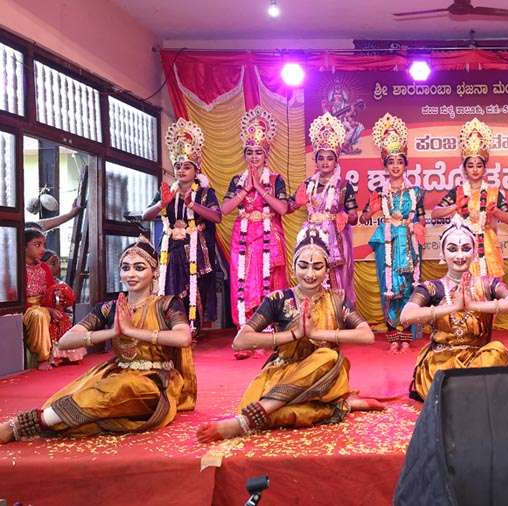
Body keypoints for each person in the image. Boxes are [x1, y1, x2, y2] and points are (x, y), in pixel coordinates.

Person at [196, 226, 383, 442]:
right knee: (256, 407)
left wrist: (316, 333)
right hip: (283, 371)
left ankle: (247, 420)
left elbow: (367, 335)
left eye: (317, 267)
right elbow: (240, 341)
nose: (310, 274)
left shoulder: (337, 300)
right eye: (303, 266)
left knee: (328, 355)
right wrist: (294, 335)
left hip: (323, 377)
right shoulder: (278, 300)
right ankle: (342, 405)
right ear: (293, 267)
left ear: (327, 270)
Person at [1, 240, 195, 443]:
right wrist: (112, 332)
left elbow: (184, 338)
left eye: (139, 268)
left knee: (122, 388)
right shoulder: (109, 308)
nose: (131, 274)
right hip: (118, 373)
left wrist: (131, 331)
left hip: (155, 382)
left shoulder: (167, 304)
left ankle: (19, 426)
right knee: (79, 401)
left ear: (154, 272)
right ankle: (39, 423)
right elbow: (66, 341)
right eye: (125, 268)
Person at [399, 220, 508, 401]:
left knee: (498, 351)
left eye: (466, 248)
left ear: (474, 253)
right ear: (442, 253)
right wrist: (452, 307)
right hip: (441, 361)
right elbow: (406, 316)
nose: (460, 255)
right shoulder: (431, 287)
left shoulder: (488, 283)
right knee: (441, 372)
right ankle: (470, 394)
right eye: (452, 249)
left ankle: (461, 395)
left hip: (478, 361)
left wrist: (473, 305)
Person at [221, 106, 292, 356]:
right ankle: (246, 335)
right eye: (249, 152)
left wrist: (260, 189)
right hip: (243, 236)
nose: (253, 157)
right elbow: (224, 209)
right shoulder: (237, 180)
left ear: (266, 154)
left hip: (268, 236)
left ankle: (269, 336)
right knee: (243, 283)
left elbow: (282, 209)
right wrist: (245, 189)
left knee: (268, 282)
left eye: (258, 152)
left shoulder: (276, 179)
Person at [142, 118, 222, 332]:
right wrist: (161, 203)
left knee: (197, 288)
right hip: (171, 248)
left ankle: (194, 327)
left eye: (187, 167)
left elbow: (216, 217)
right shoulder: (167, 191)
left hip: (197, 250)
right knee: (170, 286)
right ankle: (173, 327)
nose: (181, 170)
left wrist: (192, 205)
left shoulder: (205, 193)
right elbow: (145, 215)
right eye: (178, 166)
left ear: (196, 169)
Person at [360, 113, 425, 352]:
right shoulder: (380, 191)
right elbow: (363, 218)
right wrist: (371, 210)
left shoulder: (416, 192)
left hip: (408, 242)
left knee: (408, 286)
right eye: (391, 162)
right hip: (387, 244)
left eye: (399, 161)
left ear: (406, 164)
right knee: (388, 287)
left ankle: (406, 336)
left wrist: (416, 228)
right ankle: (392, 336)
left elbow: (422, 219)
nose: (395, 166)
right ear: (385, 165)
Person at [432, 118, 508, 277]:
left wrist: (495, 212)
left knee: (490, 286)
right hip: (464, 246)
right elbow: (435, 213)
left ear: (484, 168)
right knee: (466, 285)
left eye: (479, 165)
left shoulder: (493, 192)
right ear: (465, 169)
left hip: (488, 247)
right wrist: (455, 207)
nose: (475, 169)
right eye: (470, 166)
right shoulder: (458, 192)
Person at [292, 112, 359, 305]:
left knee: (337, 280)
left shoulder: (344, 185)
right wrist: (296, 202)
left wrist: (344, 216)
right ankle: (312, 313)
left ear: (336, 160)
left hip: (336, 239)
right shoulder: (308, 184)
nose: (325, 162)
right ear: (316, 160)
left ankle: (338, 314)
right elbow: (289, 206)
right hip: (312, 237)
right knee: (312, 274)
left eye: (330, 158)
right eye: (321, 158)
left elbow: (354, 217)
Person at [23, 229, 80, 369]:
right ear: (23, 246)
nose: (42, 249)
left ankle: (62, 356)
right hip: (26, 309)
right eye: (37, 245)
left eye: (43, 245)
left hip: (44, 305)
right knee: (39, 315)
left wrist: (59, 296)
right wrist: (47, 309)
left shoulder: (44, 268)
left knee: (60, 315)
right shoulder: (17, 268)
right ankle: (43, 358)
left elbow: (51, 290)